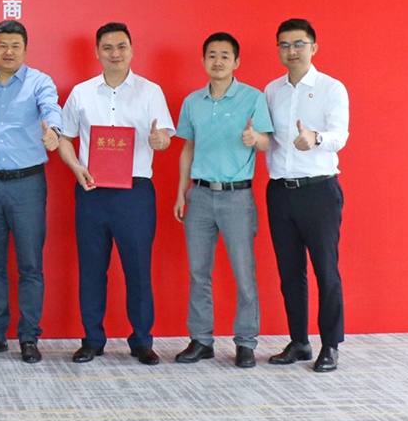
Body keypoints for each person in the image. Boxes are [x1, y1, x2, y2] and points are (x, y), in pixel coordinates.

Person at [57, 22, 174, 366]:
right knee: (92, 269)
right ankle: (92, 340)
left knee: (138, 269)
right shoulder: (81, 92)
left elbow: (164, 137)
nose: (115, 53)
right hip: (92, 191)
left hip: (134, 194)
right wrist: (75, 167)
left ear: (132, 50)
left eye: (122, 46)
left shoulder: (150, 91)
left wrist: (160, 141)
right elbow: (64, 137)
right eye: (107, 47)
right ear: (97, 52)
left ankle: (142, 341)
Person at [0, 20, 61, 364]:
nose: (9, 51)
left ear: (25, 49)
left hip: (27, 185)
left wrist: (54, 131)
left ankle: (29, 337)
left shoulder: (39, 82)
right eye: (2, 45)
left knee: (30, 265)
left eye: (16, 45)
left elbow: (51, 109)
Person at [172, 33, 273, 368]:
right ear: (203, 61)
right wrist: (181, 192)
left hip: (237, 197)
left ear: (236, 62)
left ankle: (245, 343)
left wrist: (254, 138)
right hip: (199, 195)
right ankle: (201, 340)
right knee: (198, 272)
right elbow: (188, 148)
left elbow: (266, 142)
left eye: (225, 56)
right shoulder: (193, 102)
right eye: (212, 55)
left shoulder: (253, 97)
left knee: (244, 274)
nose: (218, 61)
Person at [264, 18, 349, 373]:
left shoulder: (331, 88)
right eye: (284, 45)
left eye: (299, 44)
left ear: (313, 47)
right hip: (280, 191)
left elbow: (340, 135)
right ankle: (299, 341)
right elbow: (269, 138)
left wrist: (315, 137)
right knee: (290, 272)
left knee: (326, 270)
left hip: (318, 190)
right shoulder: (271, 90)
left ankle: (330, 345)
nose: (292, 51)